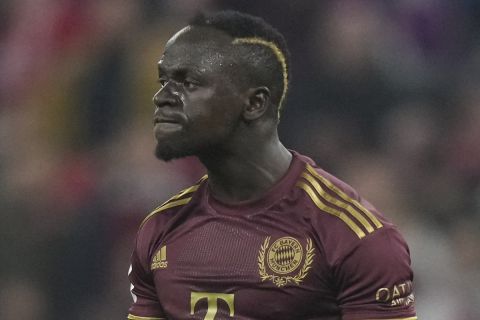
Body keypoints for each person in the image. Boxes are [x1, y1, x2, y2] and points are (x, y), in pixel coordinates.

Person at [127, 11, 416, 320]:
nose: (162, 98)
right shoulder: (160, 230)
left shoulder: (354, 238)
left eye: (190, 83)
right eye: (165, 82)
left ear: (254, 104)